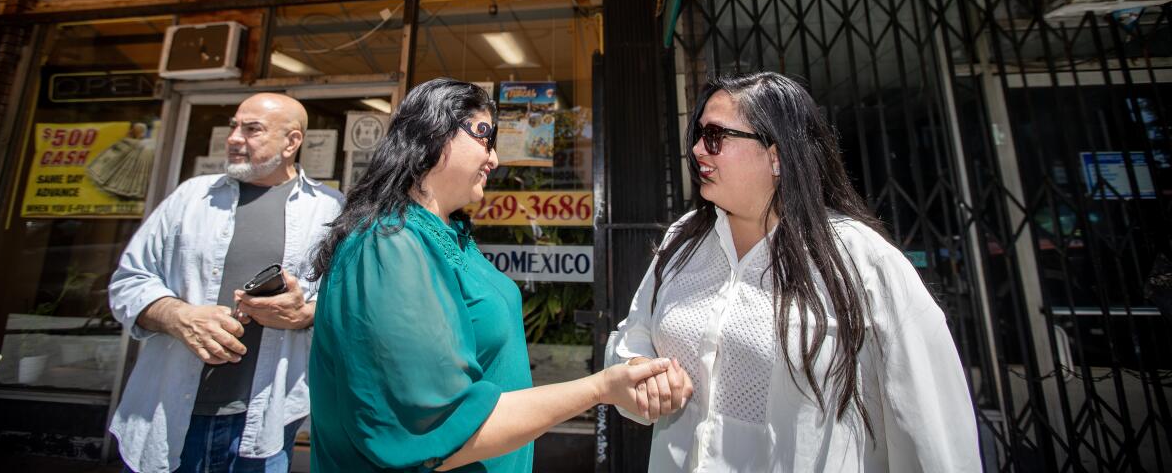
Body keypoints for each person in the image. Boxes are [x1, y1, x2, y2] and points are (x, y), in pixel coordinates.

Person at [308, 78, 692, 472]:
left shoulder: (449, 233)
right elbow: (435, 431)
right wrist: (600, 388)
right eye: (483, 136)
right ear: (432, 131)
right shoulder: (388, 244)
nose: (494, 159)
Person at [607, 72, 981, 471]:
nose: (699, 149)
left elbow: (930, 429)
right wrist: (637, 372)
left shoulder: (861, 259)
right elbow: (634, 336)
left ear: (777, 154)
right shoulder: (683, 241)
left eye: (715, 136)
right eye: (698, 134)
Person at [108, 93, 343, 473]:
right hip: (166, 412)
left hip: (264, 423)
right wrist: (176, 316)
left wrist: (306, 313)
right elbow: (127, 281)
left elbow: (348, 302)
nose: (234, 137)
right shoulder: (190, 198)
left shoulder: (330, 209)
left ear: (291, 142)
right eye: (234, 126)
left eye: (252, 130)